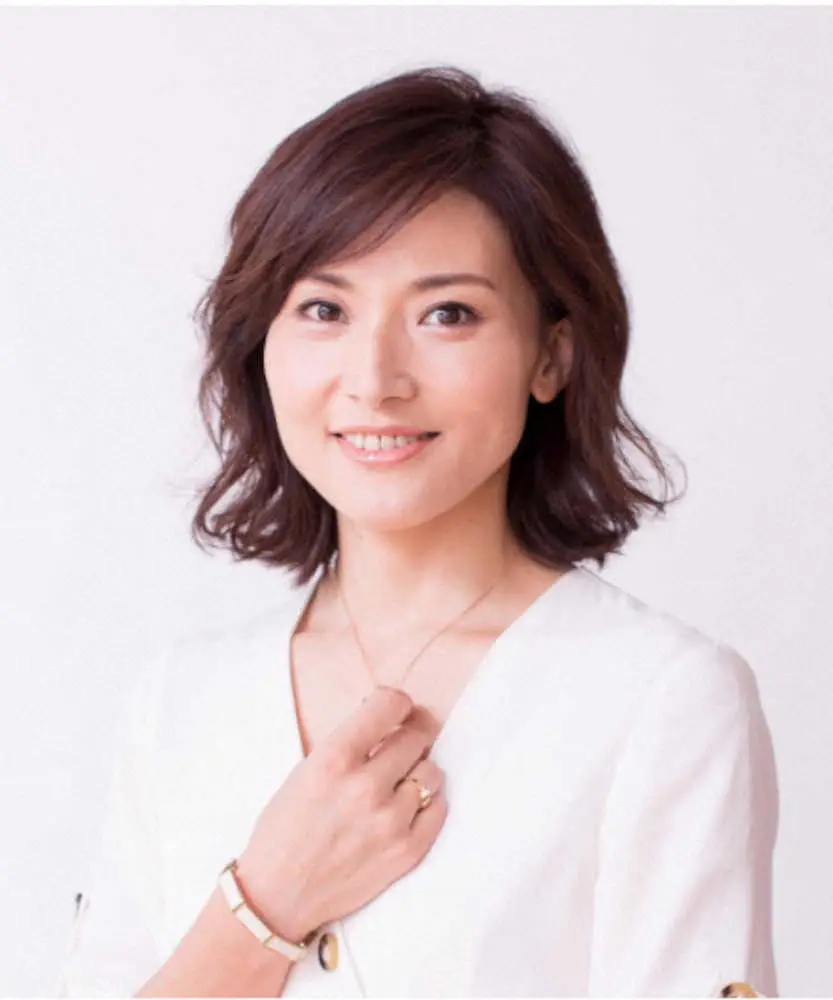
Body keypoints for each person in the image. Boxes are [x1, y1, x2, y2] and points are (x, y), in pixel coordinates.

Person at [56, 64, 778, 998]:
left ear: (551, 356)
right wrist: (265, 905)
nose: (375, 378)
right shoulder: (180, 700)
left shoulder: (658, 699)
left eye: (447, 314)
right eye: (324, 309)